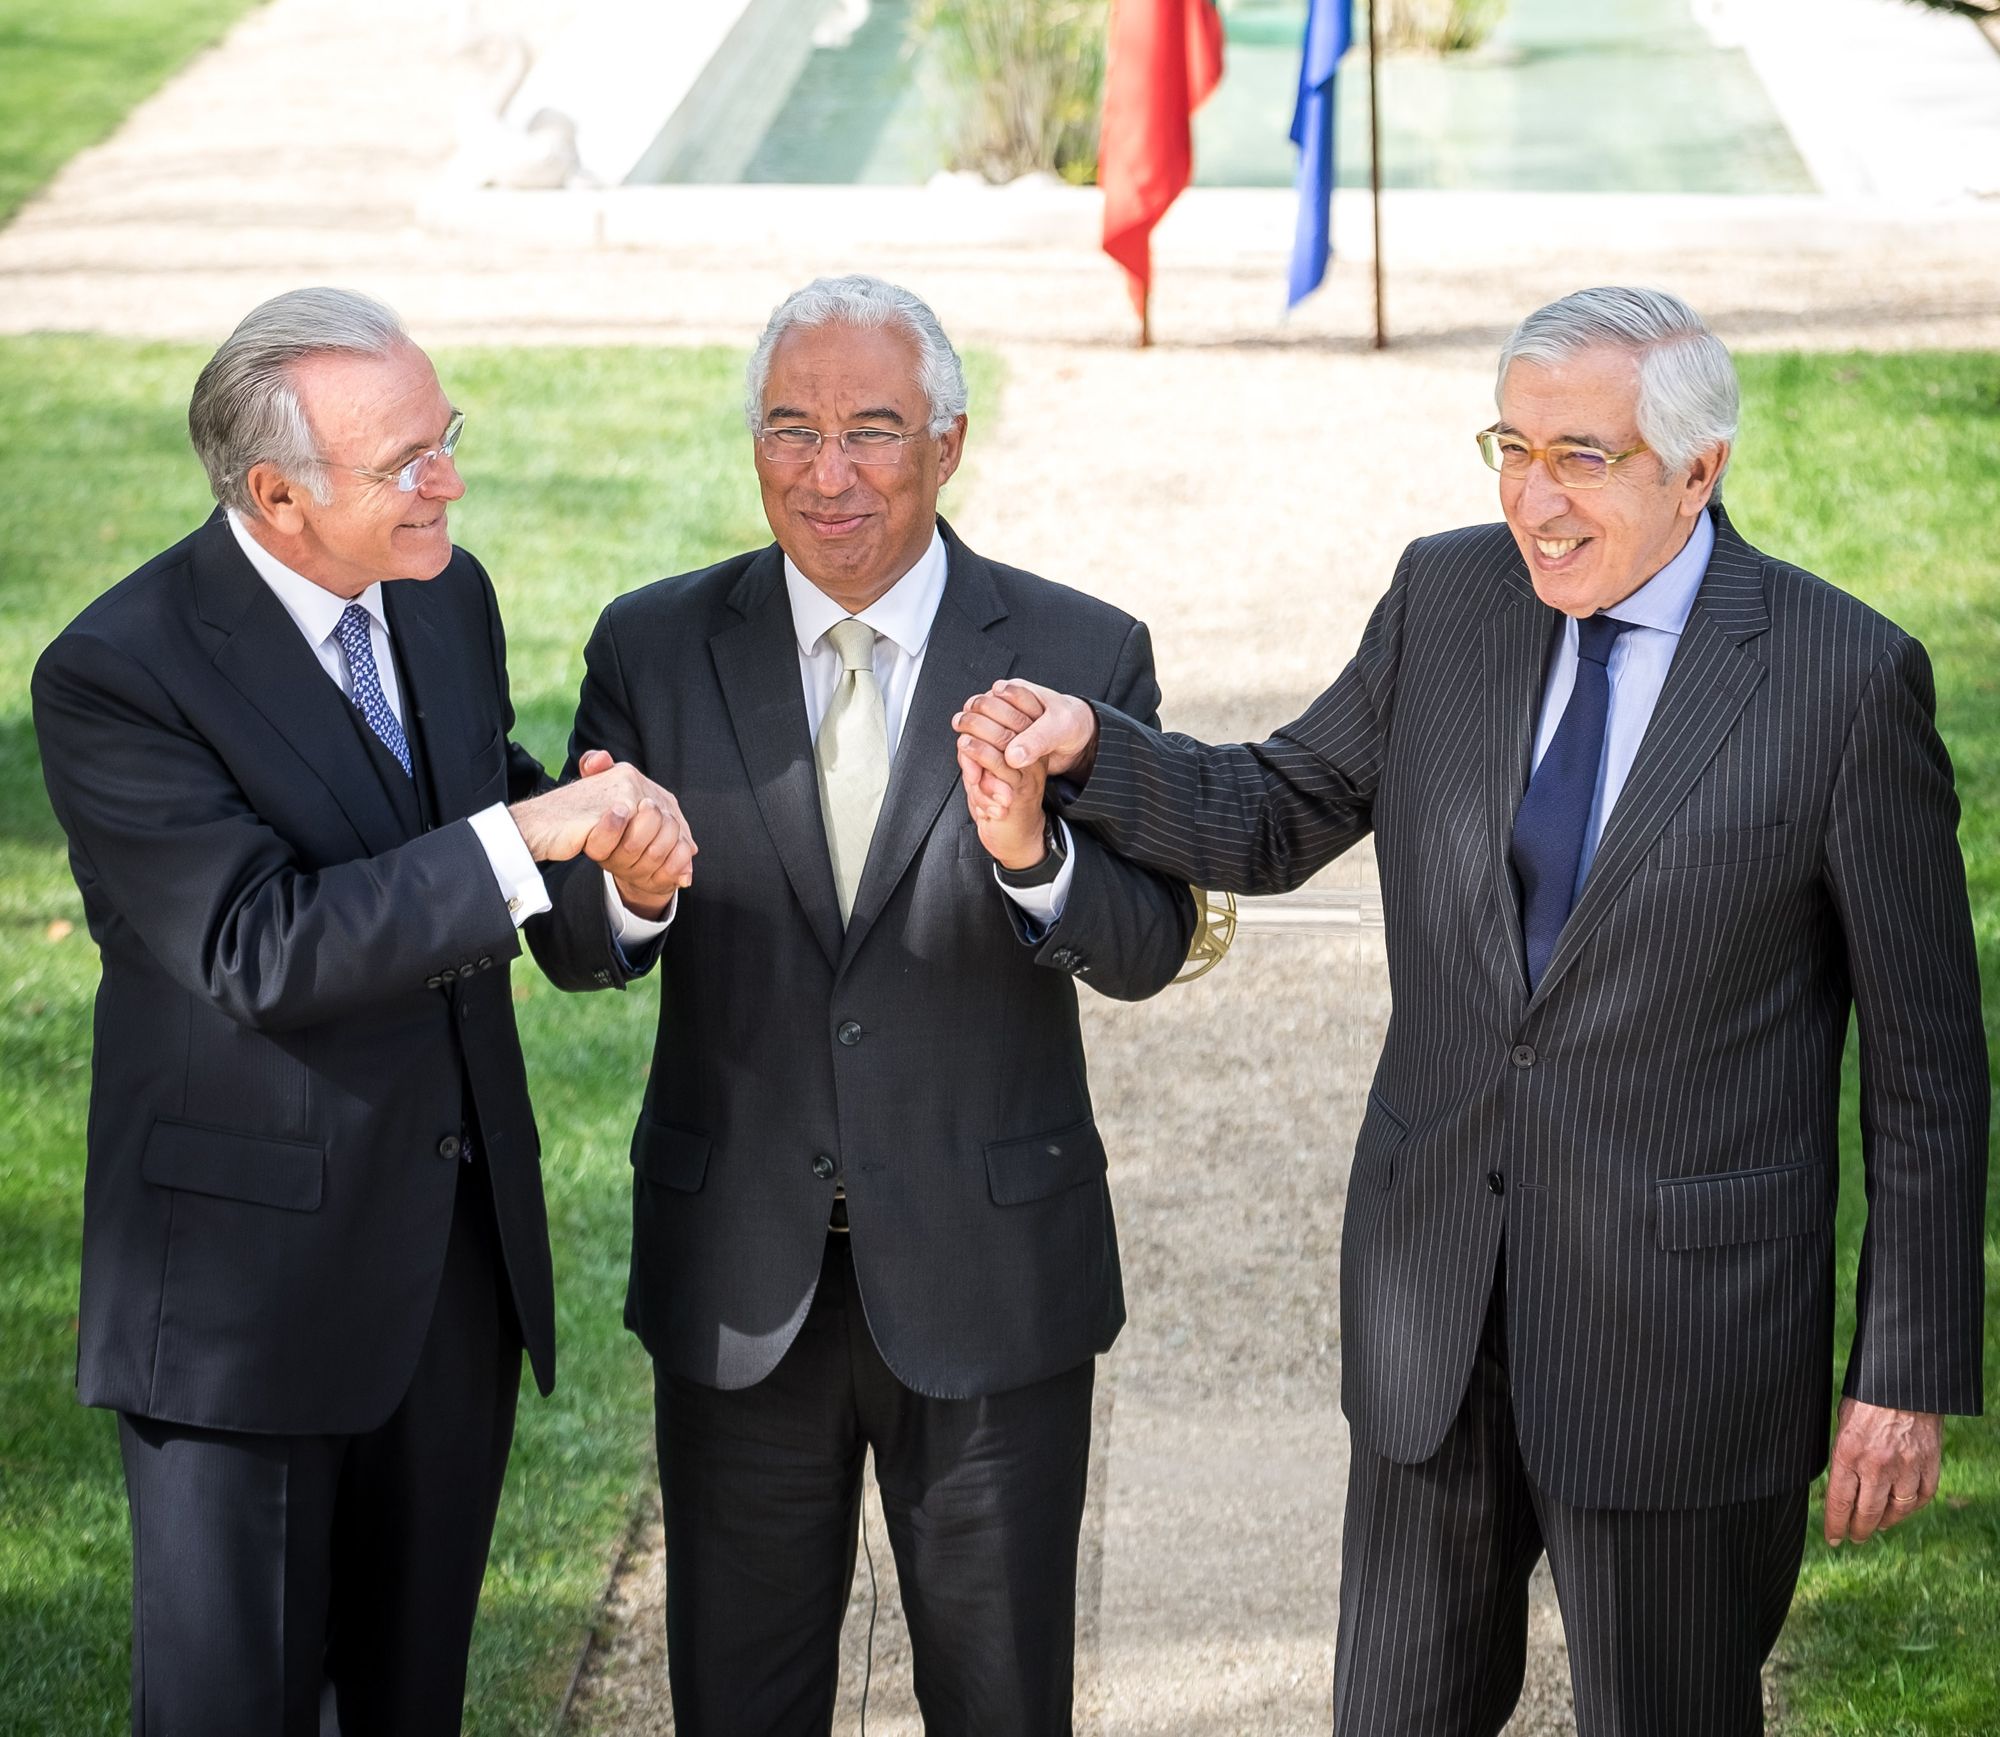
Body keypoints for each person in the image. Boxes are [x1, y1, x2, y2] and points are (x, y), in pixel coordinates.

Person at [954, 286, 1988, 1735]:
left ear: (1700, 469)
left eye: (1584, 455)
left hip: (1678, 1338)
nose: (1534, 496)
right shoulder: (1446, 598)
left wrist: (1906, 1367)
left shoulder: (1841, 678)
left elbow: (1929, 1069)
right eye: (1513, 443)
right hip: (1436, 1304)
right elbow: (1279, 804)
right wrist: (1090, 753)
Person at [528, 274, 1196, 1734]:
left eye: (872, 430)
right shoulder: (651, 646)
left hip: (993, 1280)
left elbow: (1150, 942)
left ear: (950, 442)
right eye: (790, 429)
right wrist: (630, 886)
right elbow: (579, 943)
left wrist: (1036, 857)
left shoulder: (1082, 654)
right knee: (740, 1700)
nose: (827, 472)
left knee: (1002, 1701)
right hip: (739, 1281)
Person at [31, 287, 693, 1736]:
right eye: (407, 461)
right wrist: (538, 836)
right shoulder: (117, 673)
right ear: (275, 493)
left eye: (444, 436)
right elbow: (258, 946)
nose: (446, 479)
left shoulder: (443, 592)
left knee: (412, 1707)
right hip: (243, 1311)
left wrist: (622, 882)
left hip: (451, 1283)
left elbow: (479, 826)